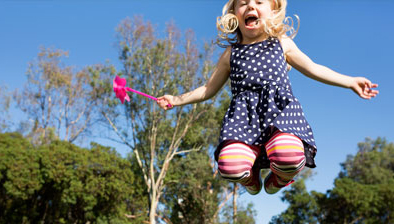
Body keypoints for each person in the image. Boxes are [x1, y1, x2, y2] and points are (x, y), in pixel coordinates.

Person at [157, 0, 379, 195]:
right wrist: (176, 100)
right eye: (243, 3)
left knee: (289, 156)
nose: (251, 6)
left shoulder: (282, 44)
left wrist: (349, 81)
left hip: (279, 114)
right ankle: (250, 178)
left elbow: (314, 68)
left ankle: (279, 179)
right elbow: (207, 89)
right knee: (229, 166)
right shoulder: (230, 54)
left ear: (273, 11)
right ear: (234, 13)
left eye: (259, 2)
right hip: (243, 121)